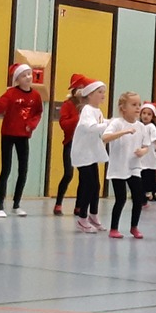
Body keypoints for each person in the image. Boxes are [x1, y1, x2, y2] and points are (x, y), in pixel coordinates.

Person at [0, 63, 44, 218]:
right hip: (8, 134)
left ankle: (16, 205)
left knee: (23, 170)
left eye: (29, 74)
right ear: (17, 80)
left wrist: (31, 125)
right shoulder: (11, 94)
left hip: (23, 136)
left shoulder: (36, 96)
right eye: (23, 75)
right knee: (6, 169)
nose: (28, 77)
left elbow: (38, 113)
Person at [103, 92, 150, 239]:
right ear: (123, 107)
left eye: (139, 104)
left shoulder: (141, 126)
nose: (138, 108)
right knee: (121, 198)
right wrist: (124, 131)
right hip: (118, 167)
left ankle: (134, 227)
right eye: (133, 105)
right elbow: (105, 137)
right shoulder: (117, 123)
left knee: (138, 197)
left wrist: (142, 151)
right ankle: (114, 228)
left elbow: (146, 146)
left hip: (134, 166)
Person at [71, 76, 109, 233]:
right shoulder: (87, 110)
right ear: (90, 95)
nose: (103, 95)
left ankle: (93, 215)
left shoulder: (97, 111)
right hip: (83, 153)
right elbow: (91, 127)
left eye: (103, 92)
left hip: (91, 153)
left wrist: (112, 122)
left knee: (96, 185)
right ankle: (82, 218)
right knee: (89, 185)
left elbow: (101, 124)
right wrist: (107, 124)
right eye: (100, 92)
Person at [54, 74, 86, 216]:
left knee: (84, 176)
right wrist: (78, 117)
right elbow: (64, 125)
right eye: (79, 88)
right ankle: (58, 203)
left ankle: (79, 206)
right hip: (70, 143)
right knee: (68, 174)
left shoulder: (89, 106)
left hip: (83, 145)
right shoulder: (67, 105)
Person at [138, 102, 156, 207]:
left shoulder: (151, 127)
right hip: (140, 159)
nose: (146, 116)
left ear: (153, 117)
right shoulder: (138, 125)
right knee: (141, 182)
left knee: (151, 183)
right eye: (144, 113)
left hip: (149, 161)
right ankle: (142, 201)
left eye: (149, 114)